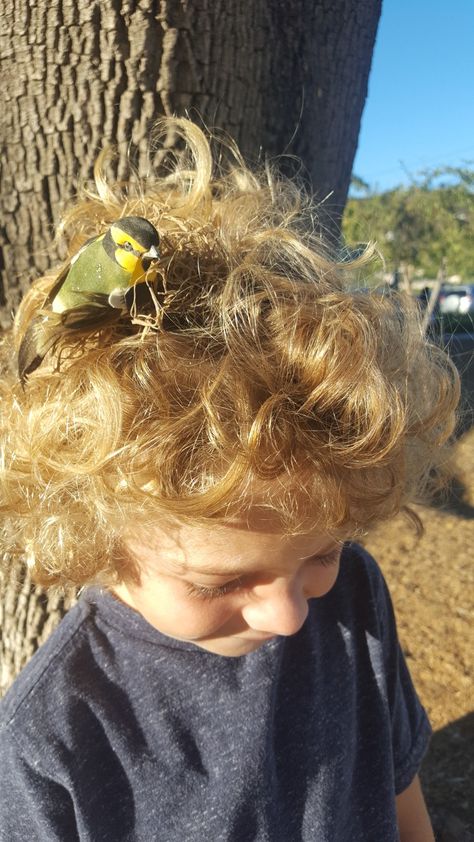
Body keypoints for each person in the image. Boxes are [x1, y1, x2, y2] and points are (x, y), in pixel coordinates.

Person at [0, 118, 459, 841]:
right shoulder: (52, 744)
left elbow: (399, 794)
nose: (290, 615)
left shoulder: (358, 596)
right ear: (97, 546)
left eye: (322, 552)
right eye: (217, 584)